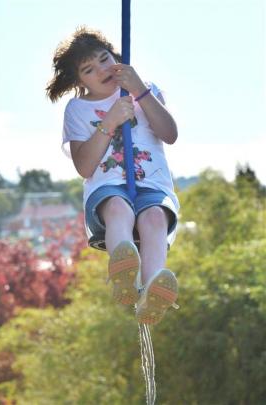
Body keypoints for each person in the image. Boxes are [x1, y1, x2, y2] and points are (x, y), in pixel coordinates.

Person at [46, 26, 180, 324]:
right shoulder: (78, 109)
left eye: (104, 59)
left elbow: (169, 134)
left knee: (155, 219)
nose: (102, 70)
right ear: (78, 81)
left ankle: (152, 290)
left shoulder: (145, 90)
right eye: (89, 69)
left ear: (116, 56)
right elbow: (84, 166)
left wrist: (140, 92)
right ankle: (123, 268)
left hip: (153, 185)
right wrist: (110, 121)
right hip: (108, 188)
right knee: (119, 208)